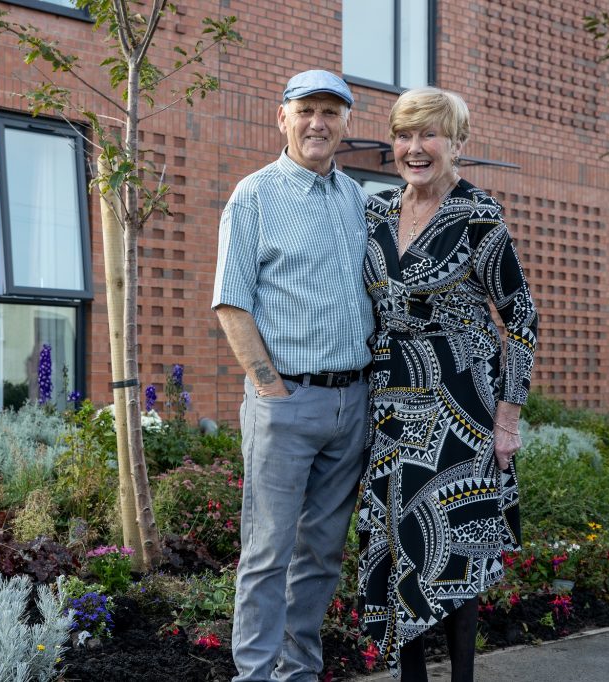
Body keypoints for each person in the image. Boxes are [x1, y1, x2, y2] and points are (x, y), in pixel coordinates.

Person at [358, 87, 539, 682]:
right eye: (404, 135)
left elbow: (522, 316)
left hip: (461, 404)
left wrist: (507, 417)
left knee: (455, 547)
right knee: (398, 544)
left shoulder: (478, 216)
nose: (414, 148)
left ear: (458, 144)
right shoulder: (376, 211)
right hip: (391, 404)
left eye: (428, 135)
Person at [212, 69, 374, 682]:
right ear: (281, 117)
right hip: (286, 401)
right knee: (267, 552)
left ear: (346, 124)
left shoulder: (359, 200)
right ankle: (254, 676)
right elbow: (231, 301)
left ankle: (296, 673)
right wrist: (268, 384)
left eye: (331, 112)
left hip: (350, 403)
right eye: (306, 110)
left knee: (322, 555)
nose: (318, 123)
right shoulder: (253, 195)